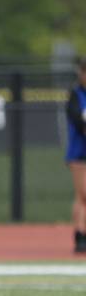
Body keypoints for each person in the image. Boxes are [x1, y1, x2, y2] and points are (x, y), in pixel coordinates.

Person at [65, 56, 86, 253]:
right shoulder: (75, 95)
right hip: (79, 152)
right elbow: (78, 122)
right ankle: (79, 235)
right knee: (83, 194)